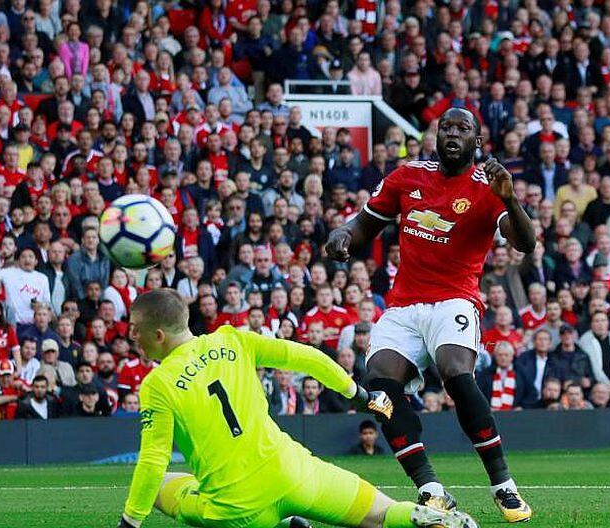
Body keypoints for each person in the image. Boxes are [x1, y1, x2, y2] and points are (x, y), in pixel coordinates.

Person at [325, 107, 536, 521]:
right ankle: (430, 488)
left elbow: (525, 243)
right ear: (436, 137)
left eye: (462, 129)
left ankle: (503, 485)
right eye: (446, 128)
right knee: (379, 387)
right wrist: (343, 234)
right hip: (404, 304)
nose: (452, 134)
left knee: (455, 371)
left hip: (455, 299)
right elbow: (364, 224)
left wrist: (511, 199)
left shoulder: (489, 186)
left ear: (477, 141)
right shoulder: (407, 176)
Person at [116, 288, 477, 528]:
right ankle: (426, 518)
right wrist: (358, 394)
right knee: (382, 515)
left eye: (135, 330)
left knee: (164, 487)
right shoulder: (233, 339)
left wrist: (129, 522)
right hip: (295, 474)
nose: (132, 336)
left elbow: (153, 460)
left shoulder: (157, 384)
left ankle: (279, 524)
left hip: (239, 509)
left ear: (158, 335)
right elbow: (306, 356)